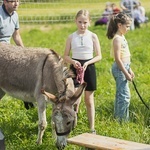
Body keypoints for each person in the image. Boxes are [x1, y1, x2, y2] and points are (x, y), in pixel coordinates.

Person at [64, 9, 102, 133]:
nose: (82, 25)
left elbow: (99, 56)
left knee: (89, 99)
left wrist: (87, 63)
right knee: (74, 97)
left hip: (88, 67)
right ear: (76, 21)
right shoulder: (71, 37)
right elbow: (65, 56)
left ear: (89, 22)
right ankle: (73, 122)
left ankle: (92, 128)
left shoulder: (93, 36)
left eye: (85, 22)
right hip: (75, 68)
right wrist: (73, 62)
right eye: (80, 22)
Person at [0, 0, 34, 109]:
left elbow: (16, 35)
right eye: (12, 1)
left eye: (18, 1)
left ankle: (26, 96)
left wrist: (24, 52)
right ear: (5, 2)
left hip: (8, 52)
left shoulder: (15, 15)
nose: (16, 3)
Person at [106, 12, 135, 123]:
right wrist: (126, 73)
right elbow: (118, 59)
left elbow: (125, 56)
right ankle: (122, 120)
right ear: (119, 25)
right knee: (124, 97)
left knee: (121, 95)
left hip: (124, 67)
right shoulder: (117, 39)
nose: (128, 28)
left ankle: (119, 118)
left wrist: (129, 69)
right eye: (127, 26)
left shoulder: (122, 37)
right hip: (120, 69)